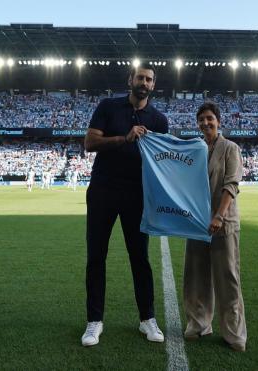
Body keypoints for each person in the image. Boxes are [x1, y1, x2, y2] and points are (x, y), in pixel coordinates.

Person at [81, 62, 168, 347]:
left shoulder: (159, 119)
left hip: (136, 195)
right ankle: (94, 322)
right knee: (96, 257)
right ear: (130, 80)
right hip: (103, 190)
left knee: (140, 258)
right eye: (140, 77)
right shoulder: (108, 106)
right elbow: (90, 142)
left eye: (149, 79)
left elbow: (162, 163)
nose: (144, 82)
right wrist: (125, 137)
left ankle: (147, 319)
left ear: (153, 85)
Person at [183, 101, 247, 352]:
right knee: (196, 276)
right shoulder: (196, 149)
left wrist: (219, 216)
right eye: (201, 119)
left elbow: (231, 184)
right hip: (198, 223)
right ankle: (199, 323)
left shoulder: (231, 148)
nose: (205, 123)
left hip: (224, 223)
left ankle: (234, 332)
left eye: (210, 118)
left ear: (219, 121)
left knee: (228, 278)